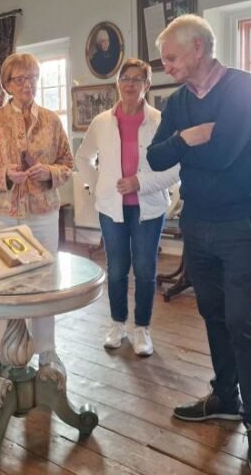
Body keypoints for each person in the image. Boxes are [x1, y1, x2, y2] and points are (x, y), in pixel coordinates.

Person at [146, 14, 251, 475]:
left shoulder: (243, 88)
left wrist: (189, 147)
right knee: (212, 312)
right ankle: (225, 396)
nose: (166, 66)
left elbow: (225, 154)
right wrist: (188, 137)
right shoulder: (179, 103)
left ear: (199, 48)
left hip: (242, 220)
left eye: (172, 57)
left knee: (243, 320)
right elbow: (155, 155)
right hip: (197, 223)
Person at [0, 52, 73, 374]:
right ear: (6, 84)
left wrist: (49, 173)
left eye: (32, 78)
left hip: (42, 213)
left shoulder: (52, 120)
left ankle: (46, 351)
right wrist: (4, 176)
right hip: (1, 213)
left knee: (44, 282)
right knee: (3, 284)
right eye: (19, 79)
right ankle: (6, 352)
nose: (27, 84)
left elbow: (68, 164)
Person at [75, 58, 179, 356]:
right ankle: (118, 324)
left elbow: (175, 169)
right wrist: (99, 186)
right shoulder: (102, 122)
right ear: (117, 83)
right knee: (117, 268)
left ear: (148, 85)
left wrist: (140, 182)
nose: (130, 84)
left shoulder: (160, 121)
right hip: (112, 209)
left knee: (145, 269)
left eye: (137, 79)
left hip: (149, 208)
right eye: (125, 78)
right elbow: (83, 158)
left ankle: (142, 328)